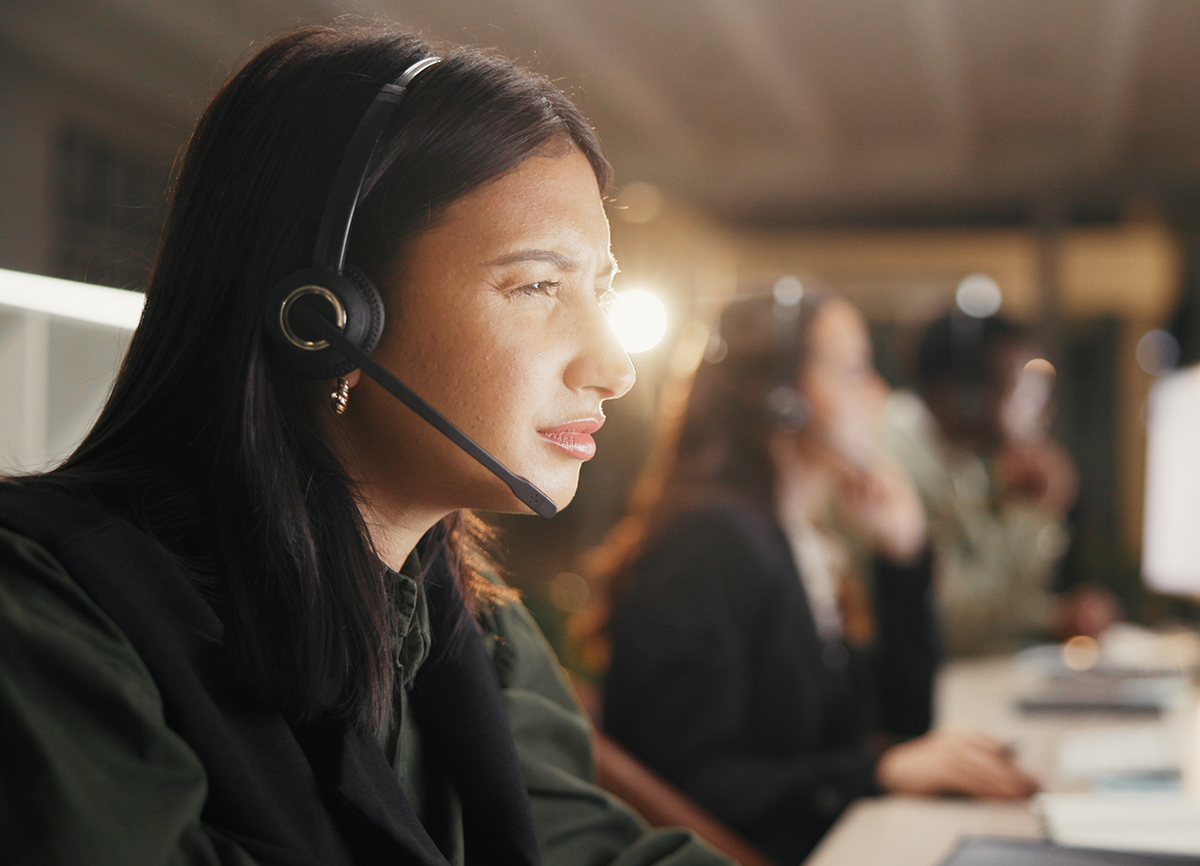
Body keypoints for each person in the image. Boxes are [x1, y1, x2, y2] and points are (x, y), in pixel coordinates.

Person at [0, 23, 734, 866]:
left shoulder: (474, 630)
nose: (613, 369)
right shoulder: (47, 610)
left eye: (599, 292)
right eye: (536, 285)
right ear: (324, 318)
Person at [600, 288, 1038, 866]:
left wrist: (901, 559)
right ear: (780, 399)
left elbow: (903, 723)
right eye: (855, 370)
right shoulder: (710, 542)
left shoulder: (792, 539)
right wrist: (875, 770)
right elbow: (691, 780)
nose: (878, 393)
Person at [881, 311, 1115, 655]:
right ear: (966, 395)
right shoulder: (899, 468)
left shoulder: (958, 462)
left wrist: (1055, 618)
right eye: (1023, 388)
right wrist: (1037, 513)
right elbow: (953, 622)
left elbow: (982, 596)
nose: (1038, 410)